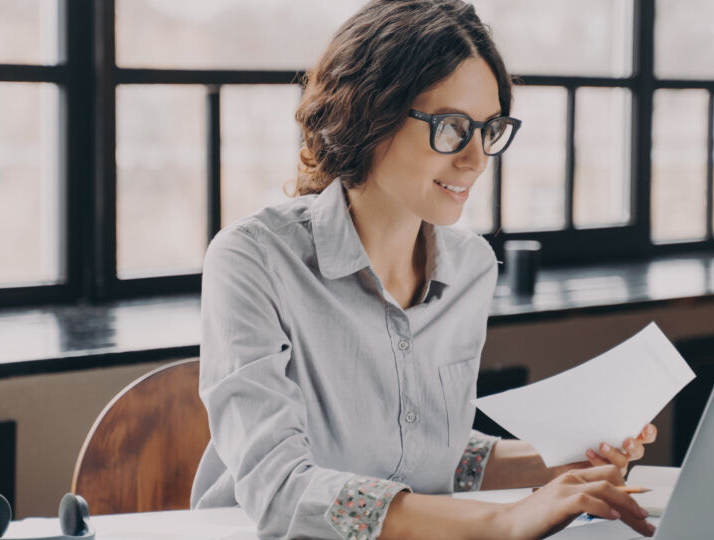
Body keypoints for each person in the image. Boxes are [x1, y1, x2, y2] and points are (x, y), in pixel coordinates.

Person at [190, 1, 658, 538]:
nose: (476, 159)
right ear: (370, 112)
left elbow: (426, 456)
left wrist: (562, 462)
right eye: (453, 126)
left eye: (490, 129)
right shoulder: (253, 259)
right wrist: (503, 522)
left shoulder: (471, 267)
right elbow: (280, 491)